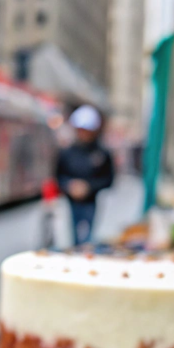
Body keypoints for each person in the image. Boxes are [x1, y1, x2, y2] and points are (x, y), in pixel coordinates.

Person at [56, 104, 114, 246]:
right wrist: (69, 186)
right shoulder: (67, 152)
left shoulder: (102, 153)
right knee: (74, 235)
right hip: (71, 200)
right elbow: (58, 176)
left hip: (90, 201)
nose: (83, 134)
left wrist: (89, 187)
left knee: (87, 237)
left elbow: (109, 179)